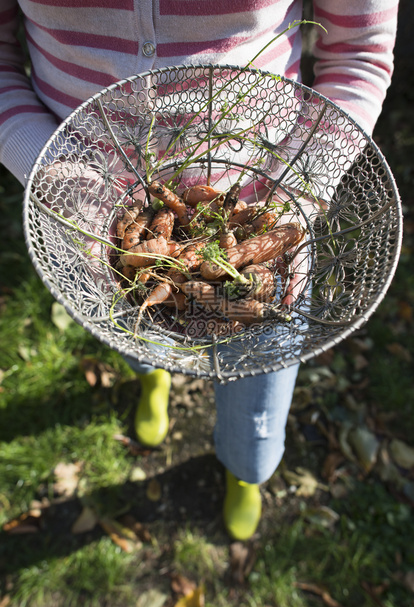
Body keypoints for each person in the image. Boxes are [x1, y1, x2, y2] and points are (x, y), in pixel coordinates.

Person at [0, 0, 399, 540]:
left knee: (257, 393)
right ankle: (150, 377)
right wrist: (60, 179)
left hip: (266, 237)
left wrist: (289, 200)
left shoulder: (263, 229)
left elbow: (358, 50)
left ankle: (246, 470)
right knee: (137, 326)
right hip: (101, 239)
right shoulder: (103, 231)